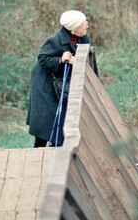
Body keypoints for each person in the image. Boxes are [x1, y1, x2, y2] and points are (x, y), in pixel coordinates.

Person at [26, 10, 90, 147]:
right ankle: (39, 148)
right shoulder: (54, 40)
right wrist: (60, 59)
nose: (87, 25)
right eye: (83, 23)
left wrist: (77, 60)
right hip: (45, 81)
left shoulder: (83, 38)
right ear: (73, 29)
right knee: (45, 116)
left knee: (64, 114)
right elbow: (42, 58)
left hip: (63, 79)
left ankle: (58, 146)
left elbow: (86, 58)